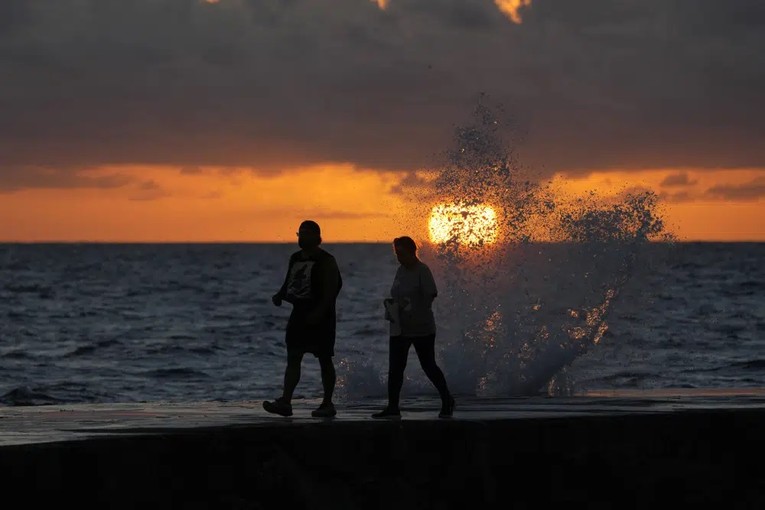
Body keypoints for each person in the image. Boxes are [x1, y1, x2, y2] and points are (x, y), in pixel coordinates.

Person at [263, 220, 342, 418]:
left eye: (307, 234)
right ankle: (286, 401)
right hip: (299, 314)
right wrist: (280, 295)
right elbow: (290, 281)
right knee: (293, 357)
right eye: (300, 233)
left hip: (322, 317)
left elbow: (332, 289)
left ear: (317, 237)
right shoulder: (295, 258)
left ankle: (327, 403)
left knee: (324, 359)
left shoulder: (326, 260)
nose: (302, 237)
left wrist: (320, 312)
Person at [372, 236, 455, 419]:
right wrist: (393, 307)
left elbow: (430, 295)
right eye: (396, 254)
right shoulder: (400, 271)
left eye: (401, 253)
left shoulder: (422, 270)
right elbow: (398, 294)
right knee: (395, 368)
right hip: (399, 327)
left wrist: (414, 310)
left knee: (428, 366)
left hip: (421, 328)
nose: (399, 257)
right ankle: (393, 407)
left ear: (412, 251)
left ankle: (447, 399)